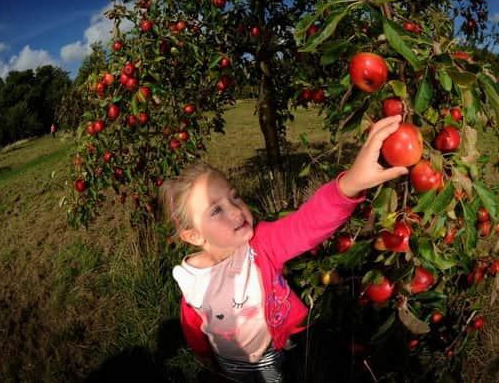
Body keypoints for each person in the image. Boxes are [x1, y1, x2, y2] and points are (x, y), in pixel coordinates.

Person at [159, 115, 408, 383]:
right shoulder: (193, 280)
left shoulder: (261, 245)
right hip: (229, 362)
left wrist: (350, 185)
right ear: (193, 235)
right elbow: (193, 323)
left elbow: (306, 225)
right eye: (216, 209)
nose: (235, 210)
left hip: (269, 353)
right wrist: (205, 357)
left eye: (234, 196)